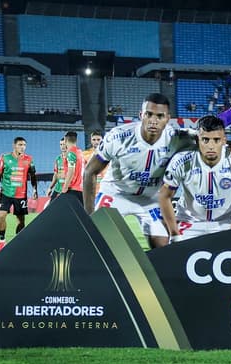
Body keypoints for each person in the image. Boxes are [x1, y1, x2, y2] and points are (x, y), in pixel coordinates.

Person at [83, 93, 198, 249]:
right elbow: (90, 172)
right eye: (148, 114)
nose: (153, 120)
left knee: (163, 245)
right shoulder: (118, 137)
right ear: (141, 115)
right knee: (99, 239)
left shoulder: (178, 138)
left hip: (151, 198)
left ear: (167, 118)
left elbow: (210, 138)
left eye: (160, 116)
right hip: (116, 193)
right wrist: (89, 215)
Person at [159, 116, 231, 240]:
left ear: (224, 140)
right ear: (197, 140)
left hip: (225, 223)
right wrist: (174, 233)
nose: (211, 146)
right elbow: (164, 195)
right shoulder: (181, 161)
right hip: (189, 223)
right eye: (205, 140)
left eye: (216, 140)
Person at [0, 137, 38, 251]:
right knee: (2, 215)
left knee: (21, 220)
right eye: (20, 145)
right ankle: (2, 241)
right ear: (14, 146)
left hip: (21, 195)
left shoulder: (29, 159)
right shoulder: (5, 157)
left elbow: (33, 176)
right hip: (6, 193)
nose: (23, 147)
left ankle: (18, 241)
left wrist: (34, 189)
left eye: (24, 145)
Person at [60, 131, 85, 204]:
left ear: (65, 139)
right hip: (81, 189)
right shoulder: (80, 152)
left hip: (72, 190)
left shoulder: (71, 153)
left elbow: (71, 171)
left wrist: (65, 187)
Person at [44, 138, 66, 207]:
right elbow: (55, 175)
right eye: (61, 144)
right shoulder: (58, 159)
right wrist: (50, 188)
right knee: (51, 206)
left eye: (64, 144)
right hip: (58, 188)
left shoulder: (71, 158)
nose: (62, 146)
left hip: (67, 189)